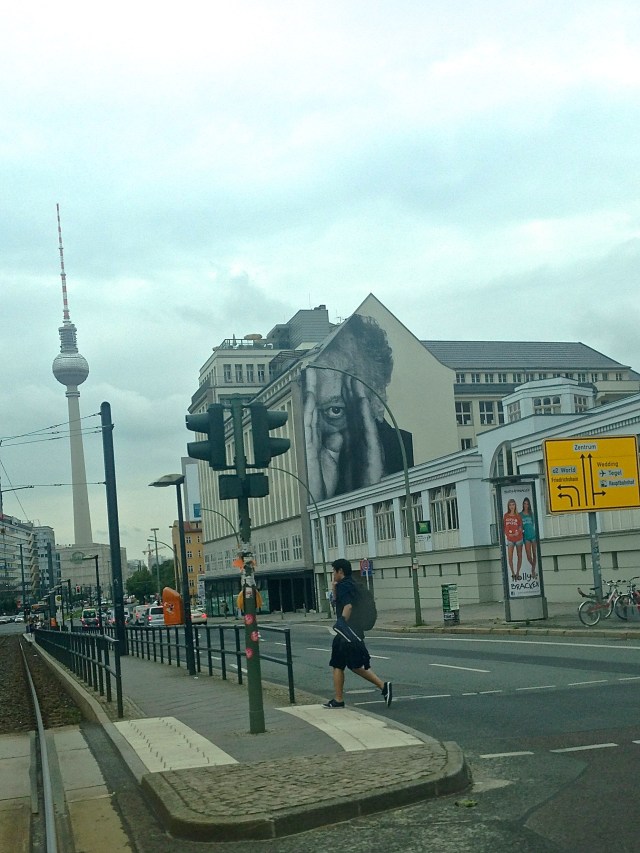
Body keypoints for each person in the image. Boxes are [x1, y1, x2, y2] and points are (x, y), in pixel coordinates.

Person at [303, 314, 413, 501]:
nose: (317, 433)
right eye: (311, 412)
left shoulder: (406, 449)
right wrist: (315, 502)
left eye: (335, 410)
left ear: (378, 397)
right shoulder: (305, 462)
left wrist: (374, 489)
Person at [323, 558, 392, 709]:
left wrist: (341, 622)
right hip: (353, 631)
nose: (333, 574)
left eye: (333, 571)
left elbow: (347, 606)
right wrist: (334, 587)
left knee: (346, 665)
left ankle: (382, 686)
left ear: (340, 571)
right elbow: (338, 602)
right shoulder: (351, 584)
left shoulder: (344, 586)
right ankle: (339, 699)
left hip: (347, 633)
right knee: (343, 664)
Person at [503, 498, 524, 580]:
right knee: (510, 557)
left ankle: (518, 572)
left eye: (513, 504)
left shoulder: (518, 516)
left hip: (518, 538)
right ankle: (513, 573)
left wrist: (518, 532)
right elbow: (504, 527)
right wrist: (508, 534)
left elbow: (520, 526)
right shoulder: (506, 515)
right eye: (510, 505)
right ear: (508, 506)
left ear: (515, 506)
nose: (512, 506)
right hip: (510, 539)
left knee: (519, 556)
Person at [521, 497, 537, 578]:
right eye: (525, 503)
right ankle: (533, 567)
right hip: (526, 536)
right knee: (528, 555)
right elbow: (520, 526)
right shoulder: (520, 515)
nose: (526, 505)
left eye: (527, 504)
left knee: (534, 553)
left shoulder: (531, 514)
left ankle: (533, 570)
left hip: (533, 535)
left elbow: (533, 524)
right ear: (523, 504)